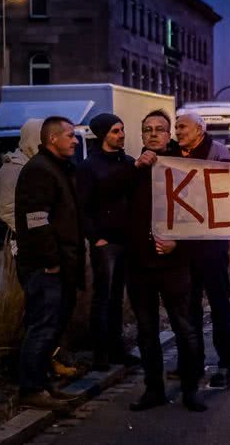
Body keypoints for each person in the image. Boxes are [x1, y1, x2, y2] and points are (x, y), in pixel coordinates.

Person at [126, 110, 206, 412]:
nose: (154, 134)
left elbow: (199, 215)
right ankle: (153, 390)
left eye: (160, 129)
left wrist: (178, 242)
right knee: (146, 332)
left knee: (185, 329)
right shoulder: (132, 169)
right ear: (142, 135)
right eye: (148, 129)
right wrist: (135, 169)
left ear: (169, 133)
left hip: (175, 265)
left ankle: (191, 389)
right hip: (139, 266)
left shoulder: (182, 167)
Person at [0, 119, 78, 379]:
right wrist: (48, 254)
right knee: (41, 316)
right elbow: (20, 215)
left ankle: (47, 366)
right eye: (70, 135)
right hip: (35, 253)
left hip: (50, 252)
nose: (75, 141)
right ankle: (33, 380)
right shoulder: (19, 171)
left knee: (53, 314)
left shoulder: (49, 166)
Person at [15, 116, 84, 410]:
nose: (76, 140)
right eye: (70, 135)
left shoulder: (57, 168)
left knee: (51, 327)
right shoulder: (40, 171)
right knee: (42, 327)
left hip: (60, 265)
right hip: (46, 268)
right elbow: (36, 220)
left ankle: (43, 385)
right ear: (52, 139)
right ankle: (31, 389)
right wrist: (51, 261)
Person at [176, 111, 230, 389]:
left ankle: (227, 363)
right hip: (184, 245)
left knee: (218, 305)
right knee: (188, 306)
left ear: (199, 130)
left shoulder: (218, 153)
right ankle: (192, 362)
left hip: (212, 244)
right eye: (176, 127)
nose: (178, 132)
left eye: (183, 127)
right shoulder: (172, 153)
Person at [77, 113, 137, 370]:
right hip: (106, 242)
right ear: (103, 134)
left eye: (122, 129)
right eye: (115, 131)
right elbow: (83, 207)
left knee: (117, 298)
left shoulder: (129, 163)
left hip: (126, 239)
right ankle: (100, 353)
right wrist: (95, 237)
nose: (121, 134)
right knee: (103, 295)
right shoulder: (90, 166)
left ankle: (116, 348)